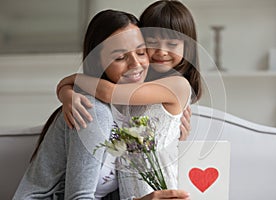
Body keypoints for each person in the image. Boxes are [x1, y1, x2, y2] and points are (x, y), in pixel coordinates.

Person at [13, 9, 190, 200]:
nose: (135, 64)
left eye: (141, 52)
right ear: (99, 63)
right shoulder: (93, 111)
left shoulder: (130, 112)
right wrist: (68, 85)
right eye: (120, 57)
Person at [56, 0, 201, 199]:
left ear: (188, 48)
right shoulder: (134, 88)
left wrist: (71, 80)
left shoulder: (177, 84)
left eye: (173, 44)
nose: (162, 52)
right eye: (151, 44)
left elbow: (108, 92)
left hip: (161, 189)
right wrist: (67, 94)